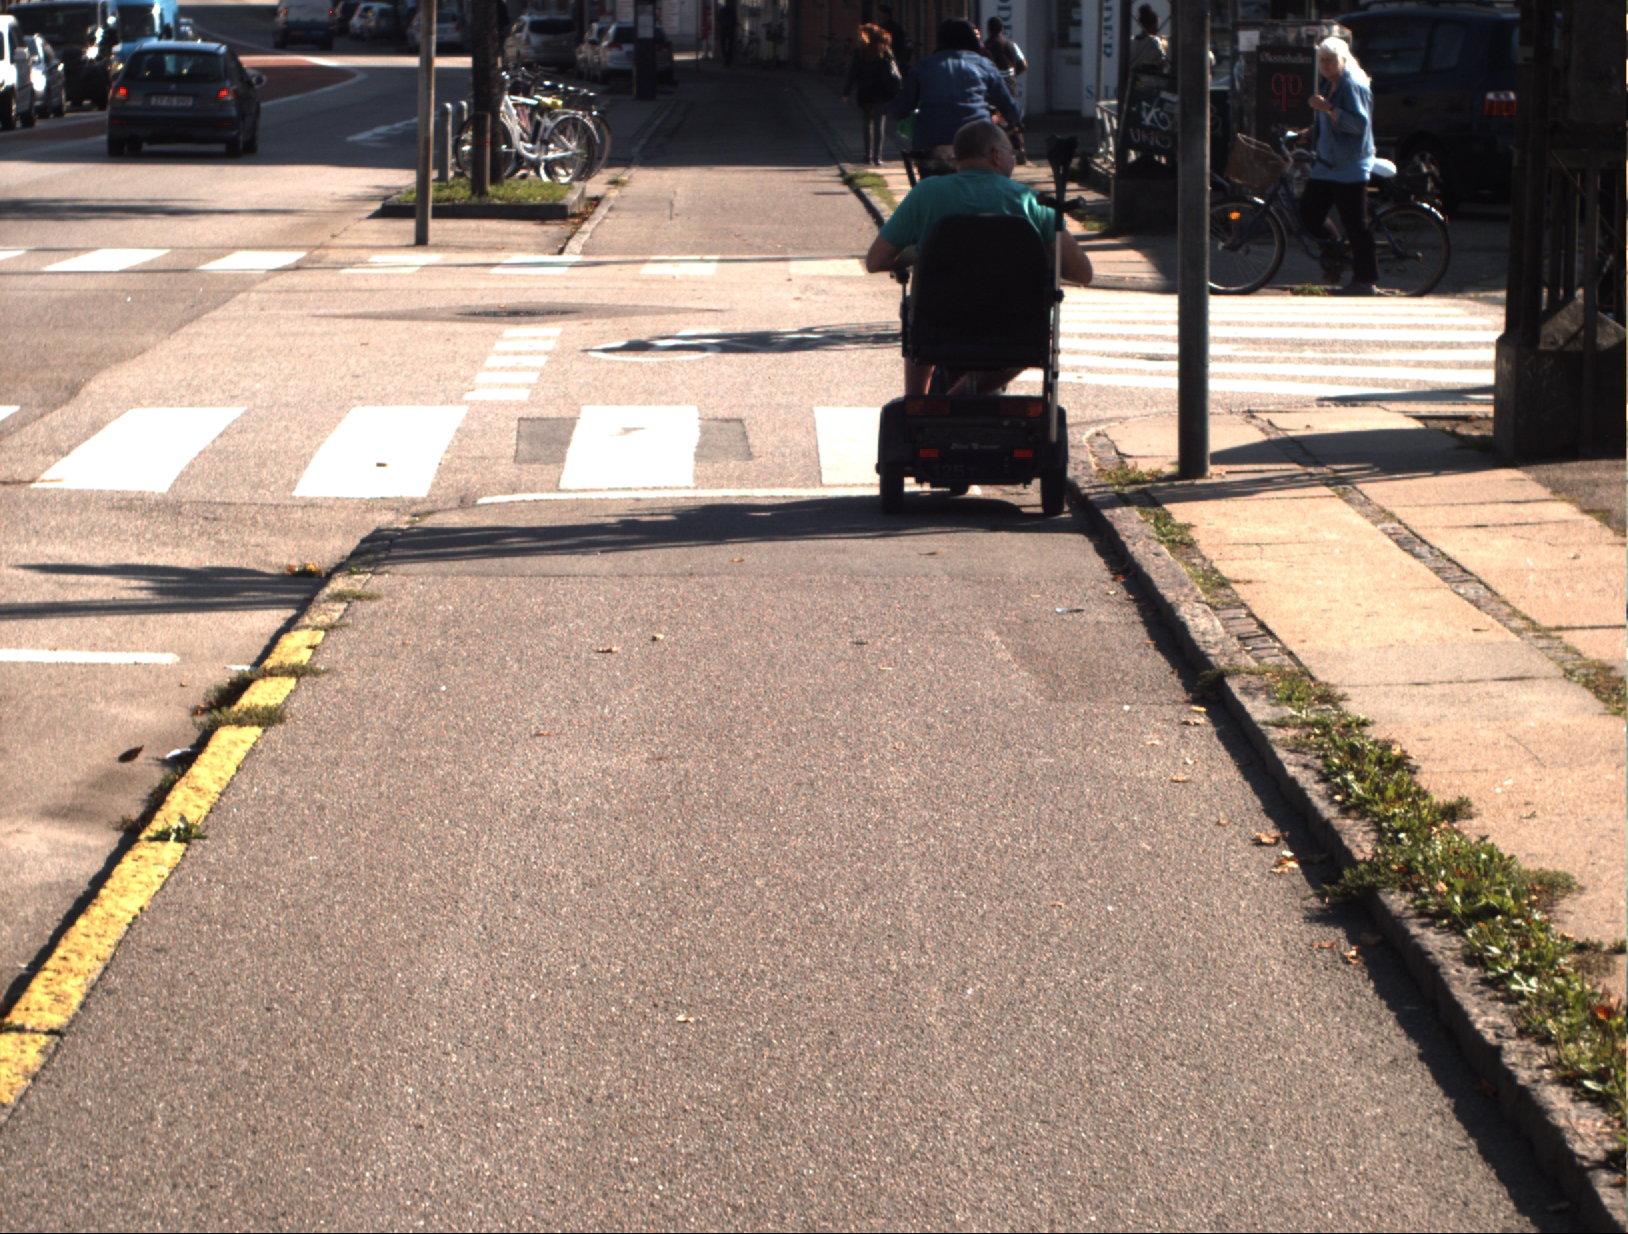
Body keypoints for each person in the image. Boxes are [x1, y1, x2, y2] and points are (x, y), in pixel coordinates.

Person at [864, 120, 1094, 396]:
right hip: (1012, 328)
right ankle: (957, 398)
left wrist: (915, 256)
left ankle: (916, 401)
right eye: (1012, 153)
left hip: (941, 323)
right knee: (1041, 335)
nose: (1014, 160)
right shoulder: (1032, 202)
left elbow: (875, 261)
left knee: (917, 311)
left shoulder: (925, 195)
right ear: (996, 155)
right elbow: (1083, 273)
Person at [1302, 35, 1378, 295]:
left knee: (1355, 224)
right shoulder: (1332, 82)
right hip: (1328, 164)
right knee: (1309, 213)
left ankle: (1365, 280)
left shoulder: (1352, 84)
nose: (1325, 64)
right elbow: (1329, 122)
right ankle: (1335, 253)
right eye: (1322, 60)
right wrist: (1309, 132)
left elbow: (1358, 124)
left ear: (1343, 59)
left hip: (1349, 164)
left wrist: (1329, 108)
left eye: (1330, 60)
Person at [888, 18, 1020, 164]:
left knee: (929, 169)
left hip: (931, 145)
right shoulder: (984, 65)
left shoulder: (923, 66)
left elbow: (900, 108)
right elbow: (1010, 108)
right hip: (976, 143)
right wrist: (1011, 119)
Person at [842, 24, 902, 168]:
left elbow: (853, 72)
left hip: (865, 92)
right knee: (879, 124)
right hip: (881, 91)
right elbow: (893, 72)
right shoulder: (884, 50)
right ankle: (877, 157)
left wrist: (846, 92)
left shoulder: (860, 52)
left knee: (866, 122)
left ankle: (866, 156)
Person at [1125, 4, 1167, 77]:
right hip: (1149, 78)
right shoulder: (1153, 42)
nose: (1158, 29)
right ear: (1152, 25)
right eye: (1157, 25)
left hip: (1134, 78)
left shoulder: (1132, 43)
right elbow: (1162, 62)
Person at [876, 4, 910, 71]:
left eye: (882, 13)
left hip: (889, 53)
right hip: (894, 54)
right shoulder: (894, 26)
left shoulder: (886, 27)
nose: (881, 15)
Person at [715, 0, 737, 66]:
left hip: (723, 29)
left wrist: (720, 26)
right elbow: (735, 21)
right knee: (730, 45)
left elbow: (718, 19)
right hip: (731, 30)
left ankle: (725, 56)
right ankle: (729, 59)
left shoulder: (722, 10)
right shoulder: (733, 11)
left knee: (722, 45)